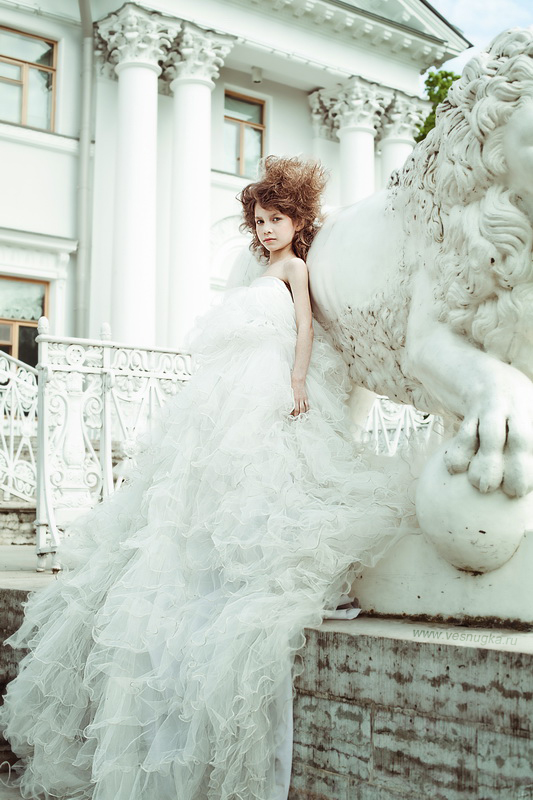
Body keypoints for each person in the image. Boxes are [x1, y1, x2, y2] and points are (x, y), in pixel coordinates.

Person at [0, 156, 415, 800]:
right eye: (260, 219)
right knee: (193, 492)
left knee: (265, 480)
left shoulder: (295, 269)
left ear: (299, 221)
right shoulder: (255, 269)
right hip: (228, 390)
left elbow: (305, 327)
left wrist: (297, 379)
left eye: (277, 218)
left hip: (270, 384)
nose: (267, 228)